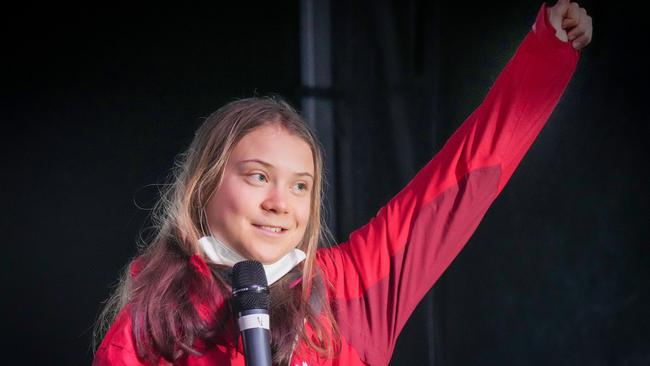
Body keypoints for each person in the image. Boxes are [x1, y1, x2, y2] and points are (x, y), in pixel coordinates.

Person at [93, 1, 592, 365]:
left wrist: (546, 55)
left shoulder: (352, 289)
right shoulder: (147, 329)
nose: (279, 204)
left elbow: (466, 173)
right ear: (204, 186)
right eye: (258, 176)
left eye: (300, 186)